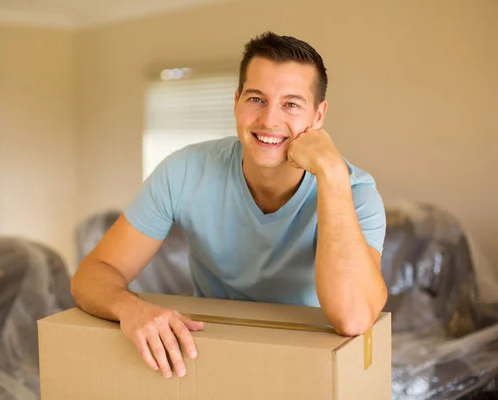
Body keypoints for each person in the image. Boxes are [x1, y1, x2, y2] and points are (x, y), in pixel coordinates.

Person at [71, 31, 388, 379]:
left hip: (308, 360)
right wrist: (130, 308)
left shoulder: (355, 191)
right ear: (236, 101)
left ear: (318, 116)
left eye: (291, 104)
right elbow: (92, 273)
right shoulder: (184, 171)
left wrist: (332, 174)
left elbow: (354, 317)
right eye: (256, 99)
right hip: (207, 353)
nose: (269, 120)